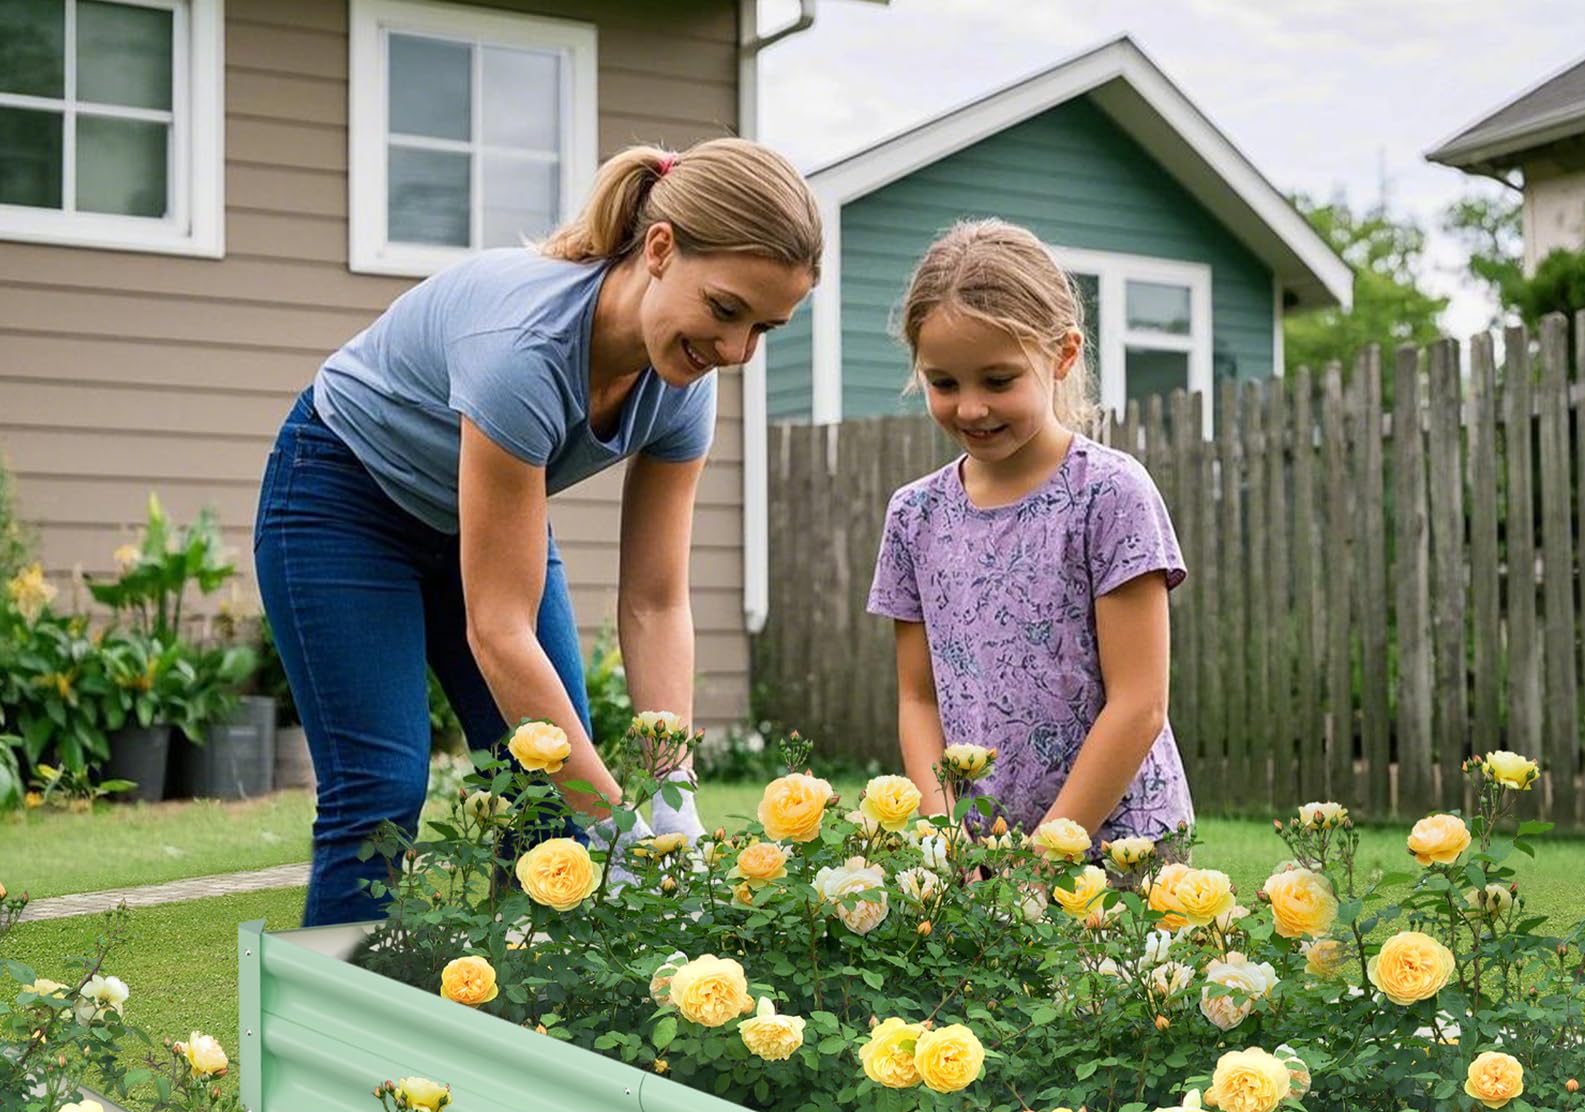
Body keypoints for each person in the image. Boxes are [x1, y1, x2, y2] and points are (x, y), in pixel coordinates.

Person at [254, 139, 820, 926]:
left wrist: (670, 790)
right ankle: (328, 1045)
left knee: (546, 799)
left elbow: (656, 603)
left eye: (765, 328)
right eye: (725, 310)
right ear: (659, 248)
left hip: (472, 521)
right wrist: (615, 825)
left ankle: (513, 1025)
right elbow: (498, 627)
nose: (734, 351)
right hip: (343, 498)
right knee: (381, 790)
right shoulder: (525, 347)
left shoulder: (685, 383)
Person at [867, 218, 1192, 845]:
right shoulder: (914, 517)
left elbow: (1139, 704)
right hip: (984, 859)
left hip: (1121, 850)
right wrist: (949, 839)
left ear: (1062, 355)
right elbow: (919, 701)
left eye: (998, 380)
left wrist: (1049, 859)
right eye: (943, 383)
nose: (969, 408)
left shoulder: (1110, 494)